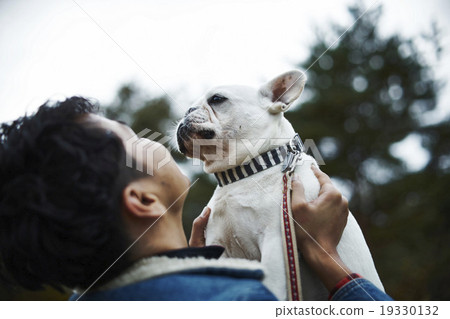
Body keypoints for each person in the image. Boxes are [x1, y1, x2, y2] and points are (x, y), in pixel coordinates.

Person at [0, 97, 392, 301]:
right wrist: (327, 258)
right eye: (134, 138)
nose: (148, 136)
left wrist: (188, 264)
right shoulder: (242, 303)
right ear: (142, 199)